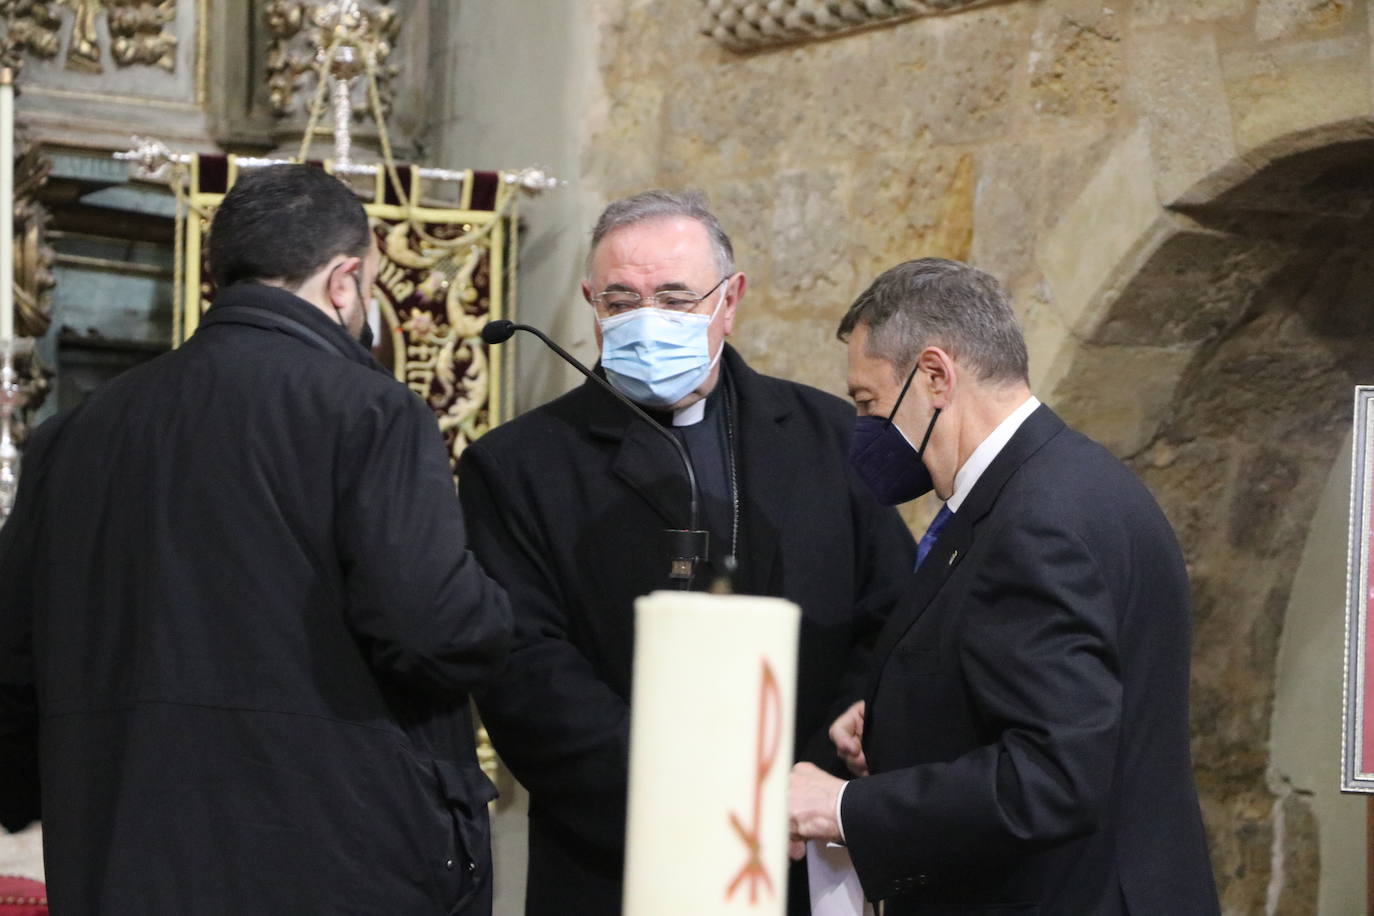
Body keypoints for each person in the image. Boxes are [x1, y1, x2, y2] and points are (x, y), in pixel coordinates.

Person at [0, 164, 512, 915]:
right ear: (345, 281)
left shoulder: (73, 436)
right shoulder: (370, 412)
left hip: (120, 857)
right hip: (331, 856)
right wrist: (496, 610)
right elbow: (431, 628)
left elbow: (13, 661)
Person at [457, 189, 915, 914]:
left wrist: (814, 778)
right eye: (621, 299)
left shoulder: (827, 436)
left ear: (729, 300)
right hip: (617, 855)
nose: (647, 319)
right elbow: (527, 673)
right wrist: (701, 799)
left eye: (673, 297)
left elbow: (893, 618)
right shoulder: (517, 466)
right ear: (590, 304)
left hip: (802, 848)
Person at [787, 258, 1219, 914]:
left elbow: (1054, 777)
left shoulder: (1035, 521)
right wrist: (902, 723)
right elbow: (1047, 694)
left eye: (869, 403)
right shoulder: (1075, 479)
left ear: (935, 376)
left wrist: (842, 806)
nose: (865, 431)